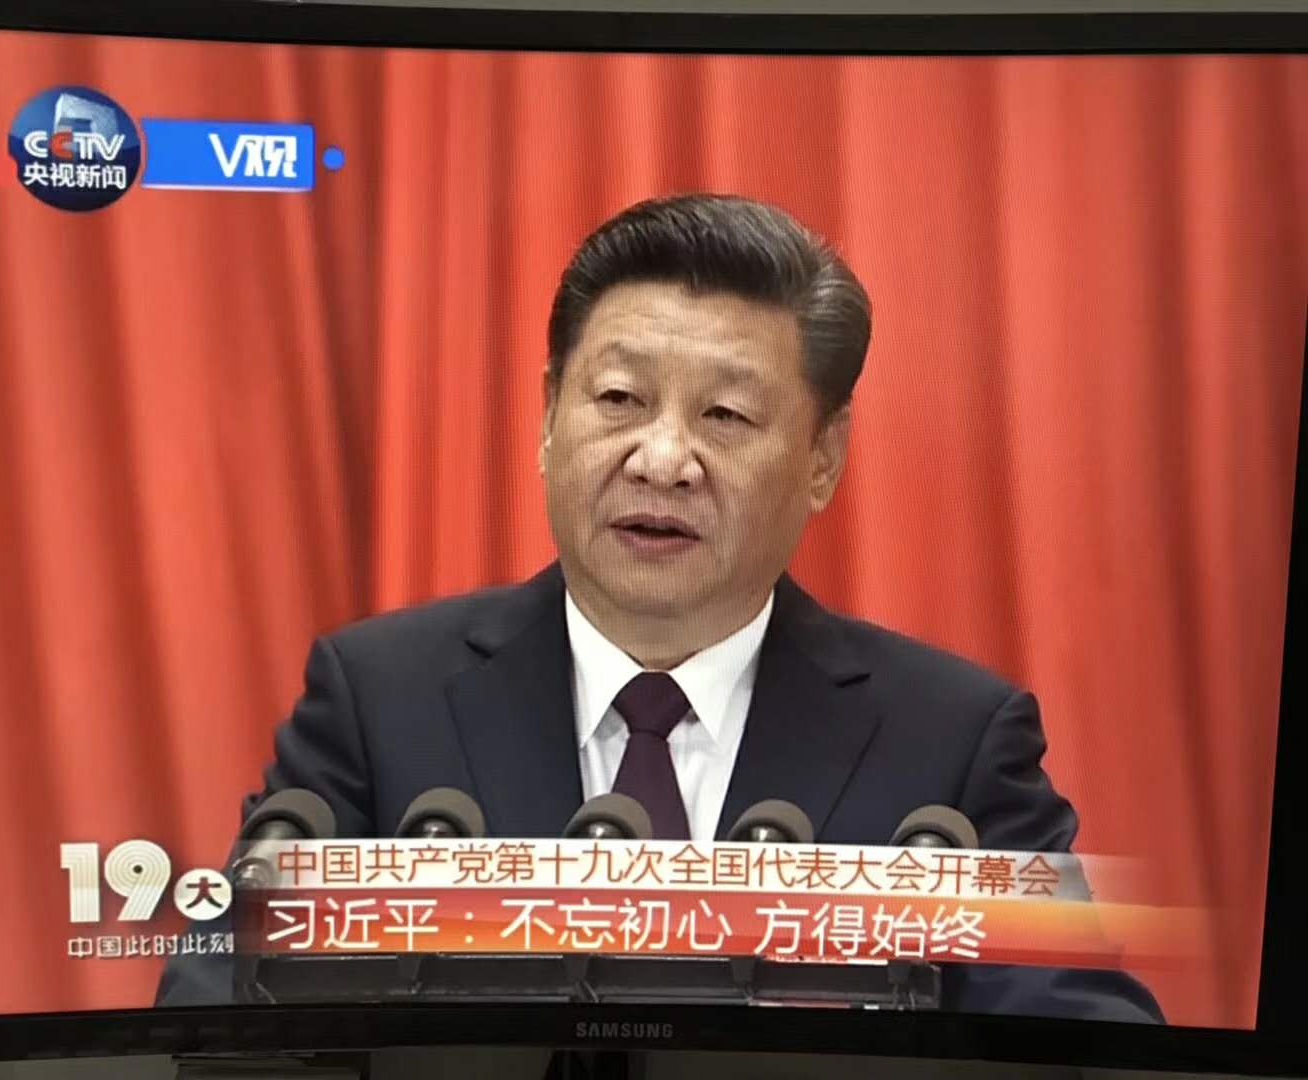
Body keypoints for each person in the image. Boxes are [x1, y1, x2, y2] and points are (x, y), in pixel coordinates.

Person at [156, 193, 1162, 1023]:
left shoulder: (950, 740)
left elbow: (1086, 1039)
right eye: (619, 401)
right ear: (548, 416)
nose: (664, 460)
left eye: (725, 415)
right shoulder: (379, 701)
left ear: (822, 457)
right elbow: (209, 1006)